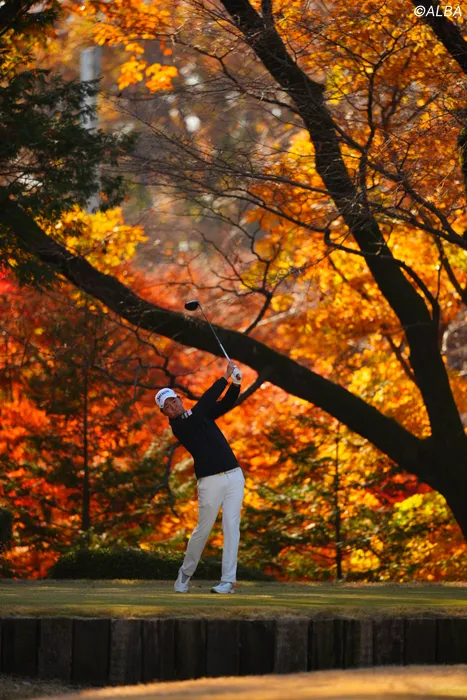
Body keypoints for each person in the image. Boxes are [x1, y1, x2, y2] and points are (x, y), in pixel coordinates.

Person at [155, 360, 244, 595]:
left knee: (232, 527)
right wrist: (224, 378)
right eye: (167, 406)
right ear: (164, 413)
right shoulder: (180, 426)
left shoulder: (199, 415)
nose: (172, 407)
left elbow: (224, 404)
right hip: (209, 482)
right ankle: (184, 574)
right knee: (203, 530)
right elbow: (205, 403)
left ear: (179, 399)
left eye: (173, 401)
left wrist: (236, 384)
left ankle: (228, 581)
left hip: (234, 475)